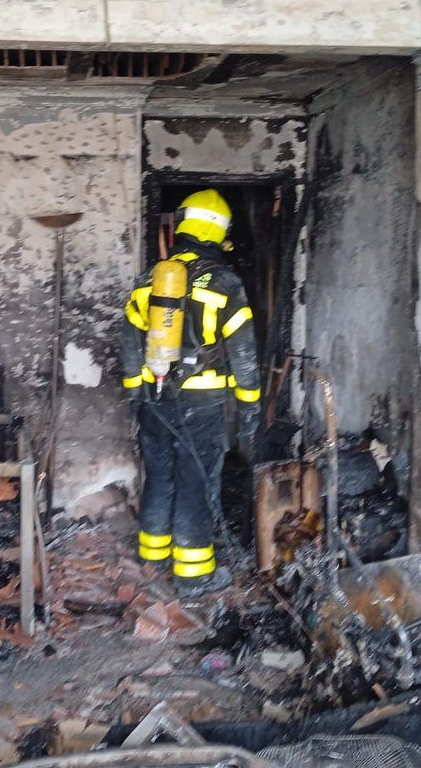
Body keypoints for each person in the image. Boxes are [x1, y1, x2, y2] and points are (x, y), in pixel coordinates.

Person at [119, 188, 262, 598]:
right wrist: (250, 405)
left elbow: (128, 341)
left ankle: (152, 558)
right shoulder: (224, 282)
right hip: (203, 401)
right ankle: (194, 573)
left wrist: (135, 393)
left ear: (183, 224)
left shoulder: (151, 279)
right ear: (218, 232)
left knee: (159, 475)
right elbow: (243, 350)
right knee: (196, 480)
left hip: (155, 398)